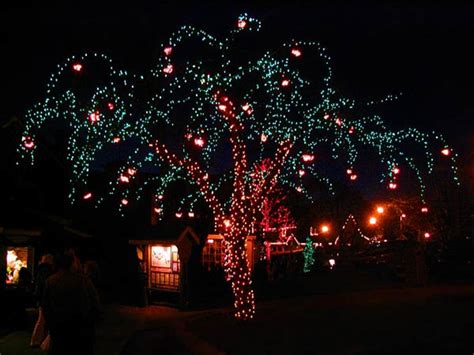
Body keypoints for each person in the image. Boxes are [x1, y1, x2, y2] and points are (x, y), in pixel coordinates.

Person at [42, 252, 100, 355]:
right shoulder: (83, 280)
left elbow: (46, 307)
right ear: (71, 263)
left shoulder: (50, 281)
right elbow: (94, 303)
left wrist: (51, 324)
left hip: (59, 329)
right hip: (81, 329)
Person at [30, 254, 54, 348]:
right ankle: (36, 341)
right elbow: (45, 286)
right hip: (44, 299)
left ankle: (37, 340)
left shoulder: (41, 270)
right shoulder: (46, 271)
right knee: (42, 319)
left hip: (42, 299)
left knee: (42, 319)